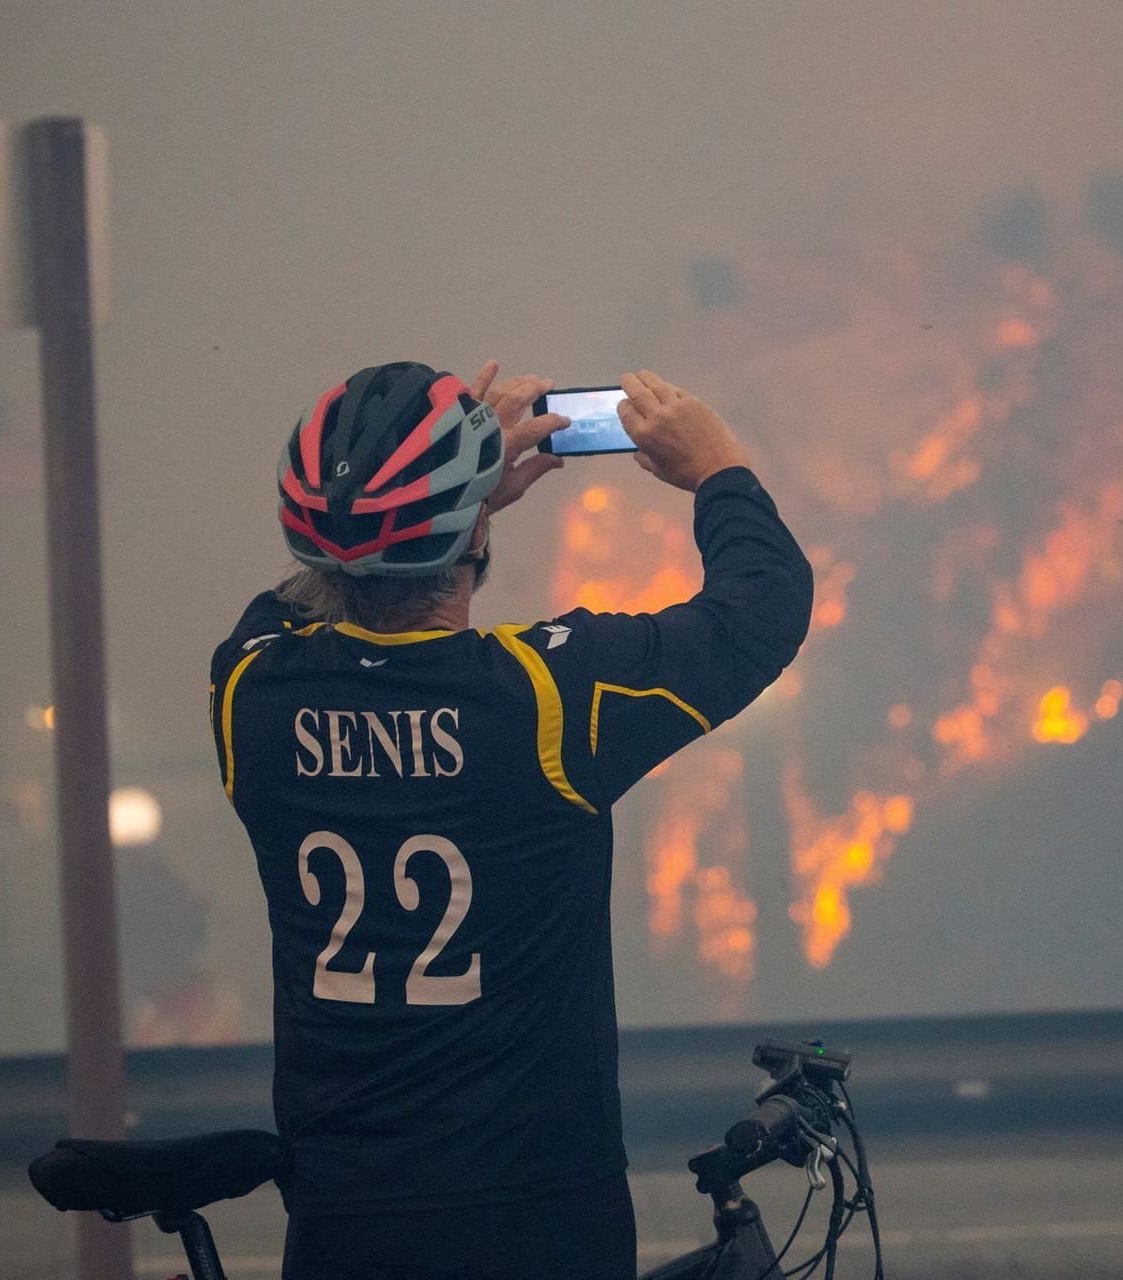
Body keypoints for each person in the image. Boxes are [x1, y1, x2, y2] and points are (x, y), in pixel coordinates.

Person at [208, 359, 813, 1279]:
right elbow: (761, 612)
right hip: (533, 1213)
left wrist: (448, 502)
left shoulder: (252, 693)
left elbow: (292, 601)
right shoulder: (542, 699)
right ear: (467, 541)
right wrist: (719, 468)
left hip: (343, 1212)